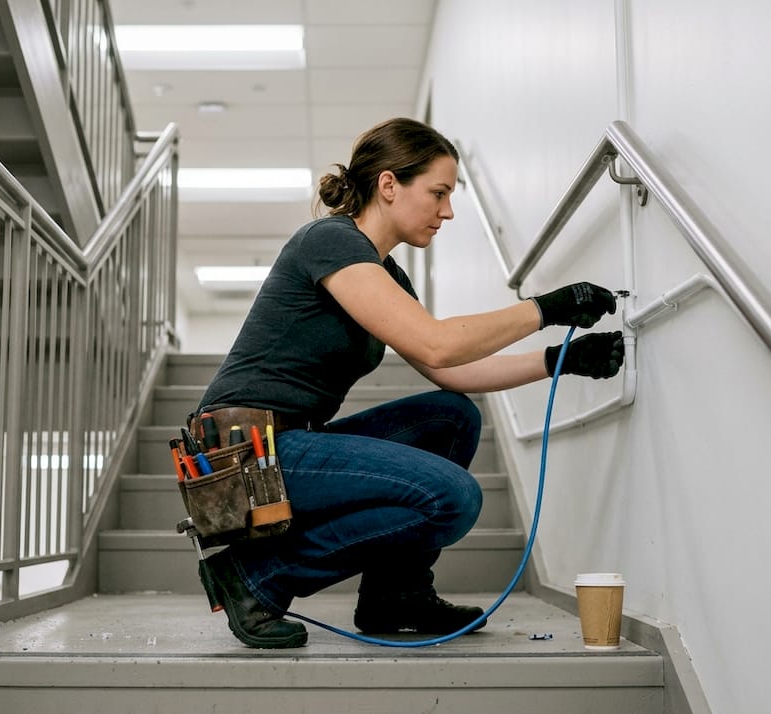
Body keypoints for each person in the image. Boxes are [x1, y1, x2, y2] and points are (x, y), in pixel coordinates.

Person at [193, 117, 624, 649]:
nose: (447, 211)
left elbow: (450, 369)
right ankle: (255, 578)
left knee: (451, 417)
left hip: (289, 443)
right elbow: (437, 343)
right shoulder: (329, 240)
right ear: (390, 185)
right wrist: (544, 309)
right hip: (244, 454)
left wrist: (560, 359)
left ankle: (396, 594)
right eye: (438, 193)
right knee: (453, 498)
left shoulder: (385, 272)